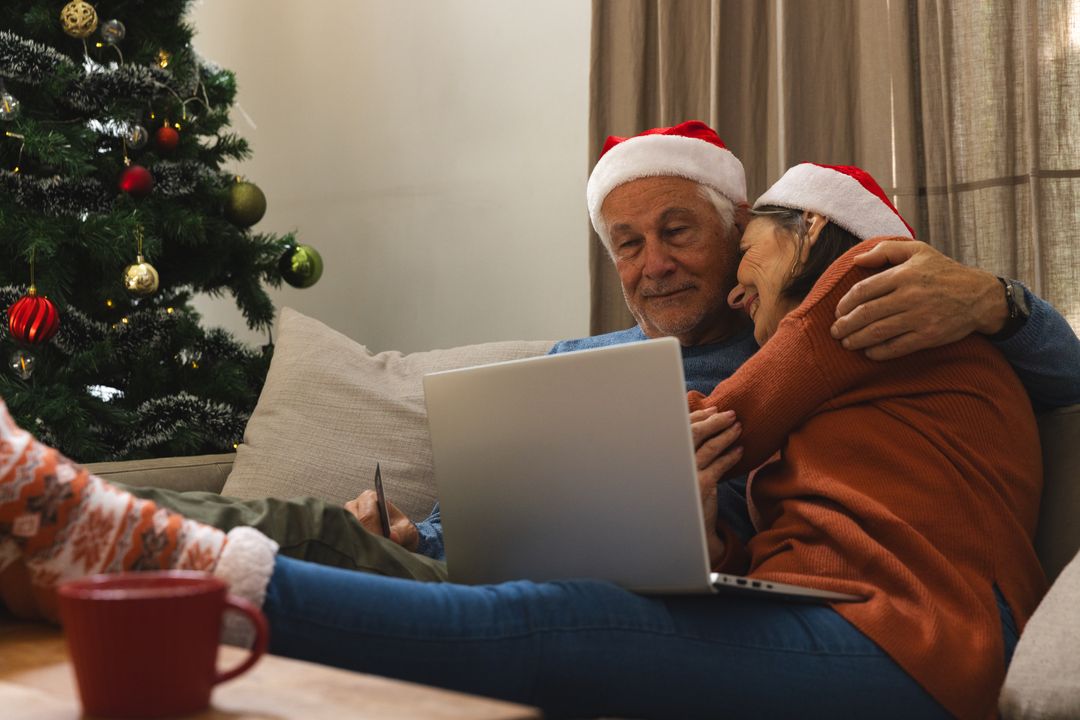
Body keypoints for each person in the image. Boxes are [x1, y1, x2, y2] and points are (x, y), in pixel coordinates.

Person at [0, 161, 1058, 719]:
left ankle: (162, 561)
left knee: (542, 618)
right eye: (627, 243)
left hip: (914, 650)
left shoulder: (882, 295)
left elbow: (714, 414)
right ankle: (101, 542)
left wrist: (1001, 297)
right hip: (826, 616)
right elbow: (756, 517)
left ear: (823, 247)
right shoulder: (828, 391)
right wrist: (692, 525)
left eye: (747, 262)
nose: (732, 285)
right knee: (540, 607)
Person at [113, 121, 1080, 581]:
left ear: (743, 232)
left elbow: (1056, 380)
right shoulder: (584, 354)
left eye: (678, 231)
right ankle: (73, 512)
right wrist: (413, 534)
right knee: (305, 529)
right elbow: (479, 510)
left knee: (286, 540)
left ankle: (71, 514)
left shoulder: (815, 335)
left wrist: (996, 300)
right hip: (477, 572)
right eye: (627, 243)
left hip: (632, 595)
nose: (652, 264)